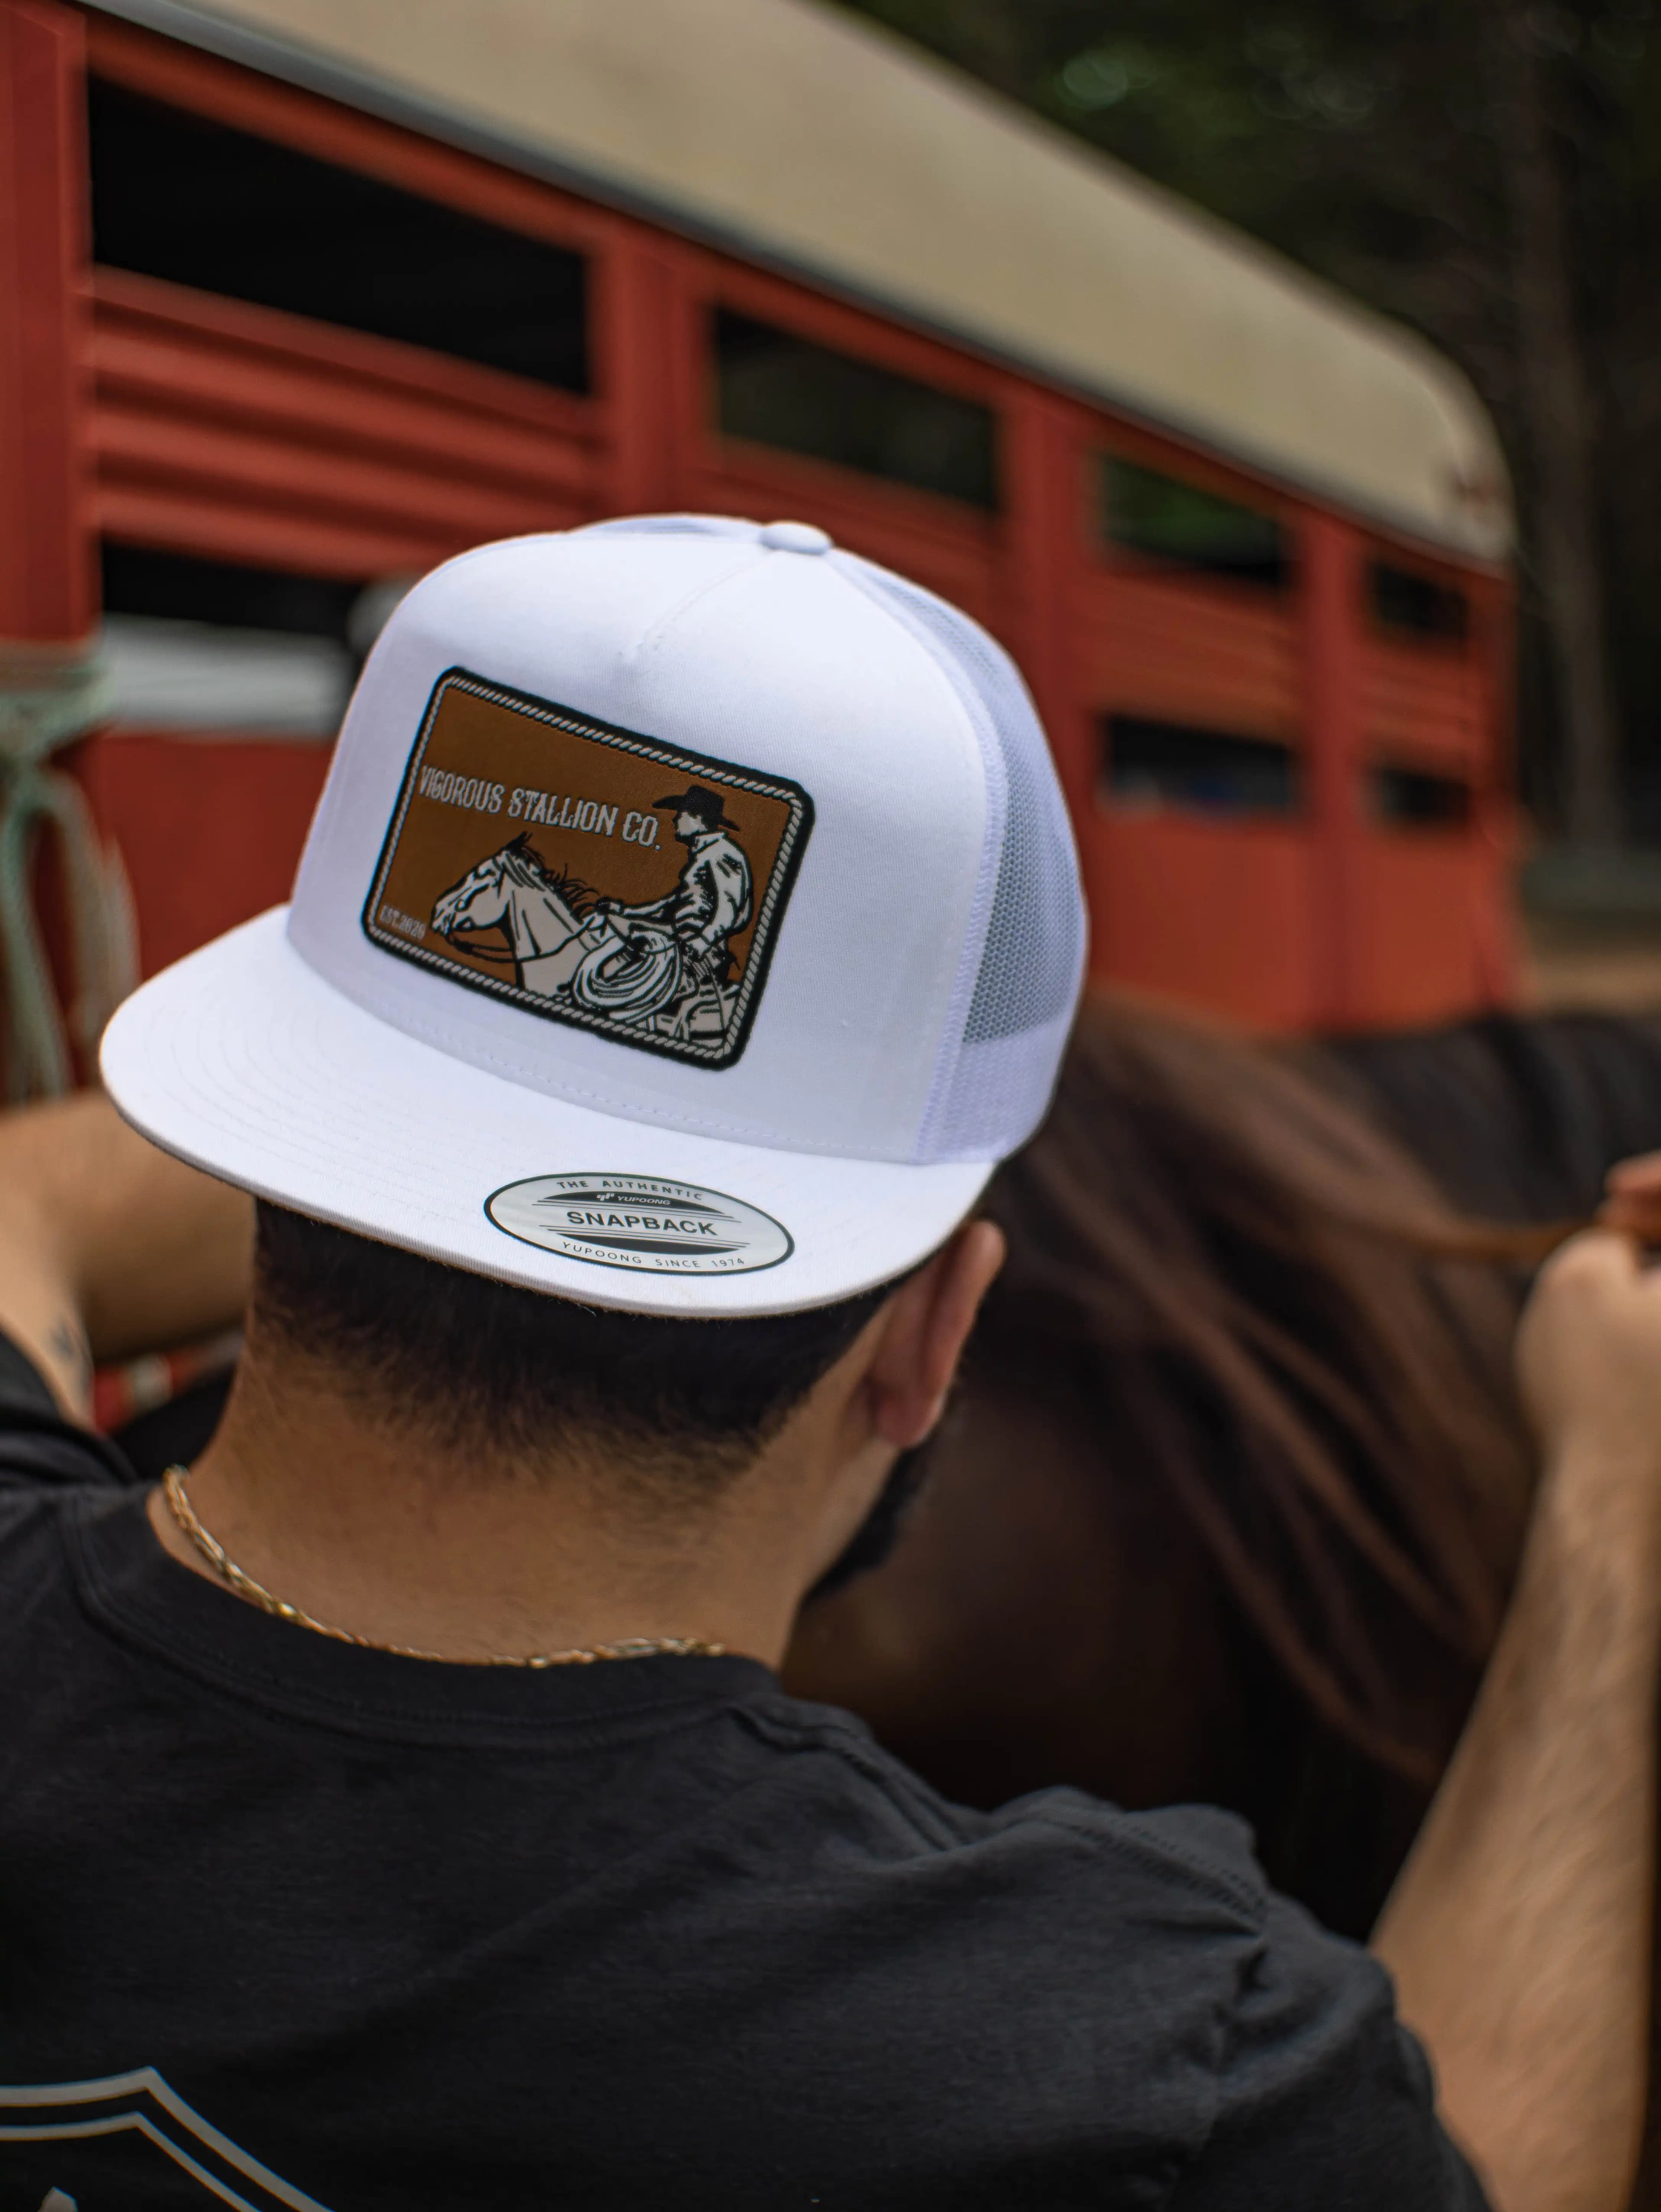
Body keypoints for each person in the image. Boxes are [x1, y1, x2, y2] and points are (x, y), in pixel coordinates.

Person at [0, 516, 1655, 2212]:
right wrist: (1613, 1488)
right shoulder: (1116, 2065)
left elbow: (31, 1206)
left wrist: (434, 1112)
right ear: (932, 1339)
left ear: (271, 1112)